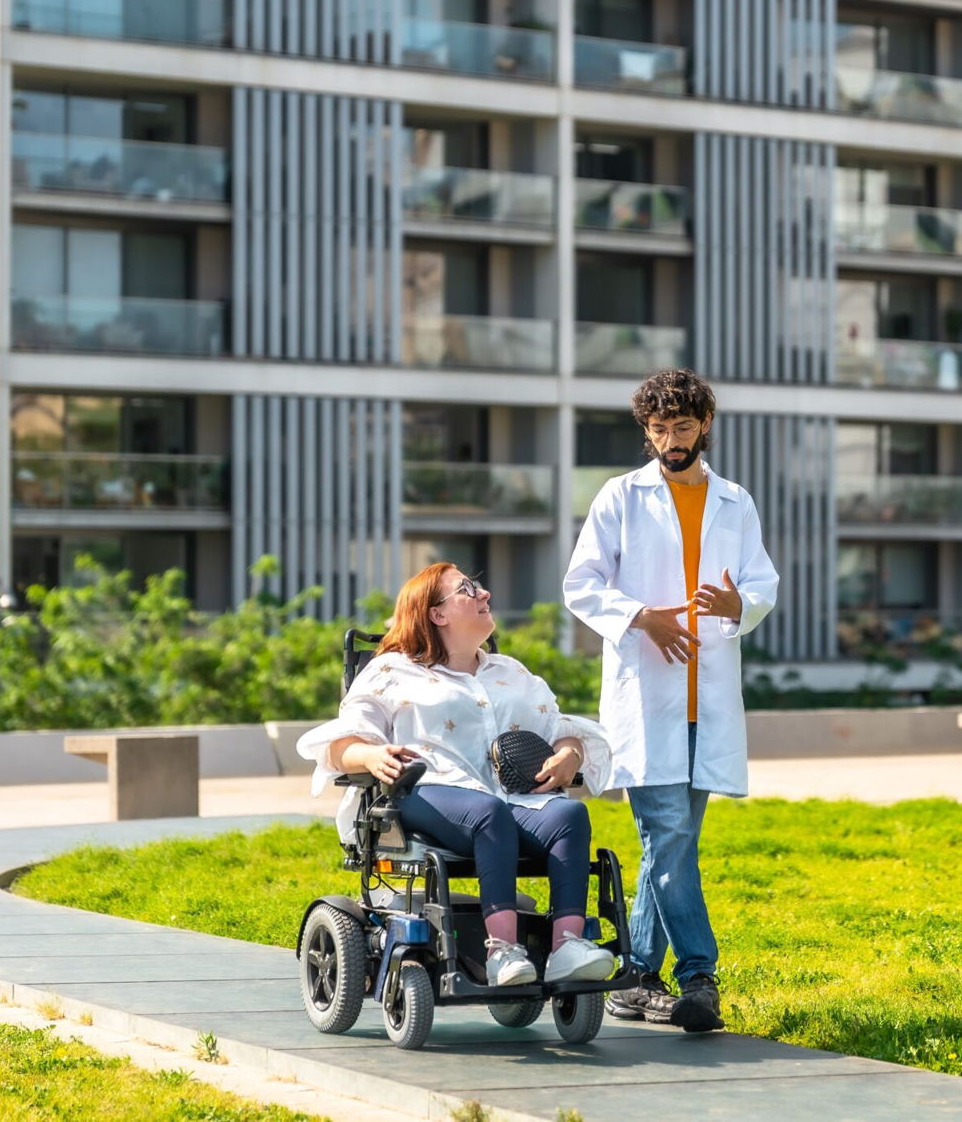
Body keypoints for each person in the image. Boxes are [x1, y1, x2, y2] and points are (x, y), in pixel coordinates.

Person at [563, 369, 778, 1032]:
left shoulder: (735, 502)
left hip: (704, 700)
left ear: (703, 424)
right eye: (658, 429)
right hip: (647, 696)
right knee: (670, 835)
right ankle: (699, 974)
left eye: (681, 427)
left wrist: (741, 604)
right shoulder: (620, 497)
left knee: (674, 845)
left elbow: (761, 581)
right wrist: (639, 616)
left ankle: (631, 975)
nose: (669, 440)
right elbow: (582, 582)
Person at [297, 562, 618, 988]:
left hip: (509, 800)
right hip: (425, 793)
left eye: (480, 587)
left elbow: (561, 731)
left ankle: (567, 947)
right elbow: (341, 743)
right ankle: (502, 950)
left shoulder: (511, 672)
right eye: (468, 589)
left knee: (568, 816)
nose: (484, 594)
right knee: (488, 813)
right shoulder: (392, 671)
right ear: (437, 614)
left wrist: (569, 754)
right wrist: (371, 756)